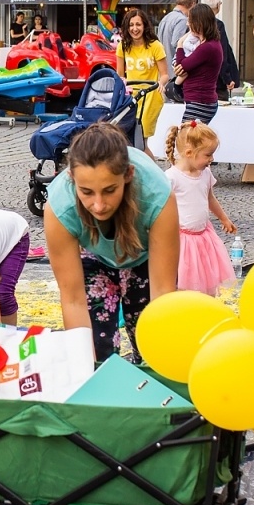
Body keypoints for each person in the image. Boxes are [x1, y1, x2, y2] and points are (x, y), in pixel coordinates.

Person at [44, 122, 180, 361]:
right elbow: (73, 299)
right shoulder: (60, 207)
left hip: (144, 258)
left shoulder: (157, 196)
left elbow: (163, 294)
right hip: (93, 256)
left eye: (109, 190)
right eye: (86, 192)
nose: (98, 205)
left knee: (149, 344)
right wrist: (84, 368)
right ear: (71, 178)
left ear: (128, 175)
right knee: (95, 348)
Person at [163, 120, 237, 295]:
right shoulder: (171, 178)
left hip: (204, 236)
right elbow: (161, 207)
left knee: (207, 275)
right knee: (185, 277)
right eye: (208, 155)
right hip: (183, 239)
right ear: (189, 153)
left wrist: (224, 218)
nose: (211, 159)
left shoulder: (205, 173)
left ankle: (205, 301)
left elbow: (210, 198)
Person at [116, 7, 169, 142]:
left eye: (138, 24)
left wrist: (161, 84)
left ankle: (146, 163)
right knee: (130, 139)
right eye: (131, 25)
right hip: (131, 97)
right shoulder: (122, 46)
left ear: (145, 26)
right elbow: (120, 75)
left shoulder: (155, 46)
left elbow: (165, 75)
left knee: (141, 140)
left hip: (150, 96)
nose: (135, 28)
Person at [173, 3, 224, 124]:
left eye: (190, 21)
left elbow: (181, 65)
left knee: (187, 140)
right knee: (193, 140)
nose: (187, 24)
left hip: (200, 102)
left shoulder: (207, 48)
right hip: (201, 100)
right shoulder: (211, 44)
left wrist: (180, 44)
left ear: (199, 23)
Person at [157, 0, 196, 101]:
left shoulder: (166, 18)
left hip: (164, 72)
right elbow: (178, 44)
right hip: (175, 74)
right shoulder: (182, 20)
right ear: (192, 4)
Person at [204, 0, 240, 100]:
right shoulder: (217, 25)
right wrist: (227, 78)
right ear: (218, 6)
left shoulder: (194, 24)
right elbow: (221, 53)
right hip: (216, 80)